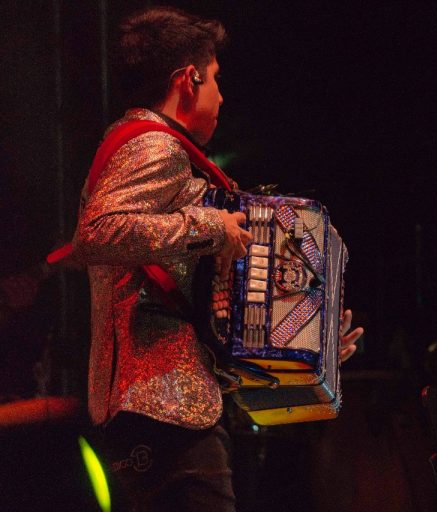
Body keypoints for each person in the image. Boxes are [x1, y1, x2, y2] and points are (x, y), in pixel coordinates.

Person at [73, 7, 362, 511]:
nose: (222, 97)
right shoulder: (154, 145)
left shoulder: (148, 147)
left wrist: (302, 349)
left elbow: (191, 313)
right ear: (189, 79)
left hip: (166, 406)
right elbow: (96, 235)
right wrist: (213, 226)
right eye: (217, 80)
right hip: (161, 409)